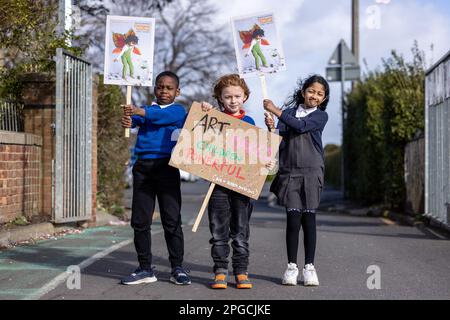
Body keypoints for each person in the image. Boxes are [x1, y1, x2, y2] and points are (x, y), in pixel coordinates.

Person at [120, 71, 191, 286]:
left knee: (171, 220)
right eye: (160, 87)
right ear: (154, 89)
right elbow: (134, 121)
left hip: (167, 167)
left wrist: (139, 111)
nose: (164, 91)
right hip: (143, 168)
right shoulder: (147, 110)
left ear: (177, 92)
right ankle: (144, 268)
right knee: (140, 221)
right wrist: (127, 119)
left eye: (169, 88)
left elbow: (160, 116)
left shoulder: (178, 111)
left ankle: (177, 268)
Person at [264, 75, 330, 287]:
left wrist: (276, 110)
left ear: (324, 98)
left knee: (308, 220)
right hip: (290, 171)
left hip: (312, 172)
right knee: (293, 220)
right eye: (311, 91)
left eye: (320, 94)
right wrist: (271, 126)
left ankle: (309, 267)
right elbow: (279, 137)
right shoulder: (289, 113)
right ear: (303, 92)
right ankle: (291, 267)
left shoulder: (320, 116)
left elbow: (300, 127)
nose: (315, 96)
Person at [200, 74, 256, 289]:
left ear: (245, 97)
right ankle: (220, 270)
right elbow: (198, 143)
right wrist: (203, 113)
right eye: (228, 97)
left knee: (240, 232)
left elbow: (256, 152)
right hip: (218, 184)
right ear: (220, 98)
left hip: (242, 186)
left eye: (237, 96)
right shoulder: (212, 118)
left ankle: (241, 271)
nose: (233, 100)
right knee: (218, 231)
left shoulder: (249, 123)